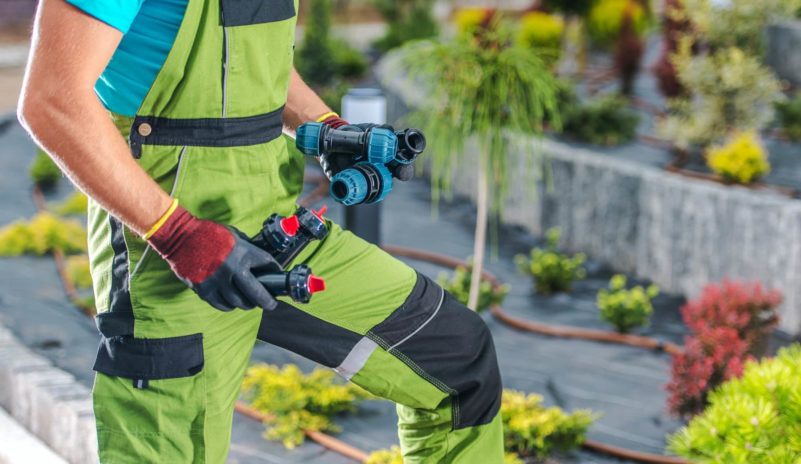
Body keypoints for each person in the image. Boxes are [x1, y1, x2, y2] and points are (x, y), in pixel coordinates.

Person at [17, 0, 504, 461]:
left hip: (275, 224)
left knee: (454, 360)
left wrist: (327, 128)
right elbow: (53, 100)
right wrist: (180, 235)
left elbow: (256, 59)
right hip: (166, 249)